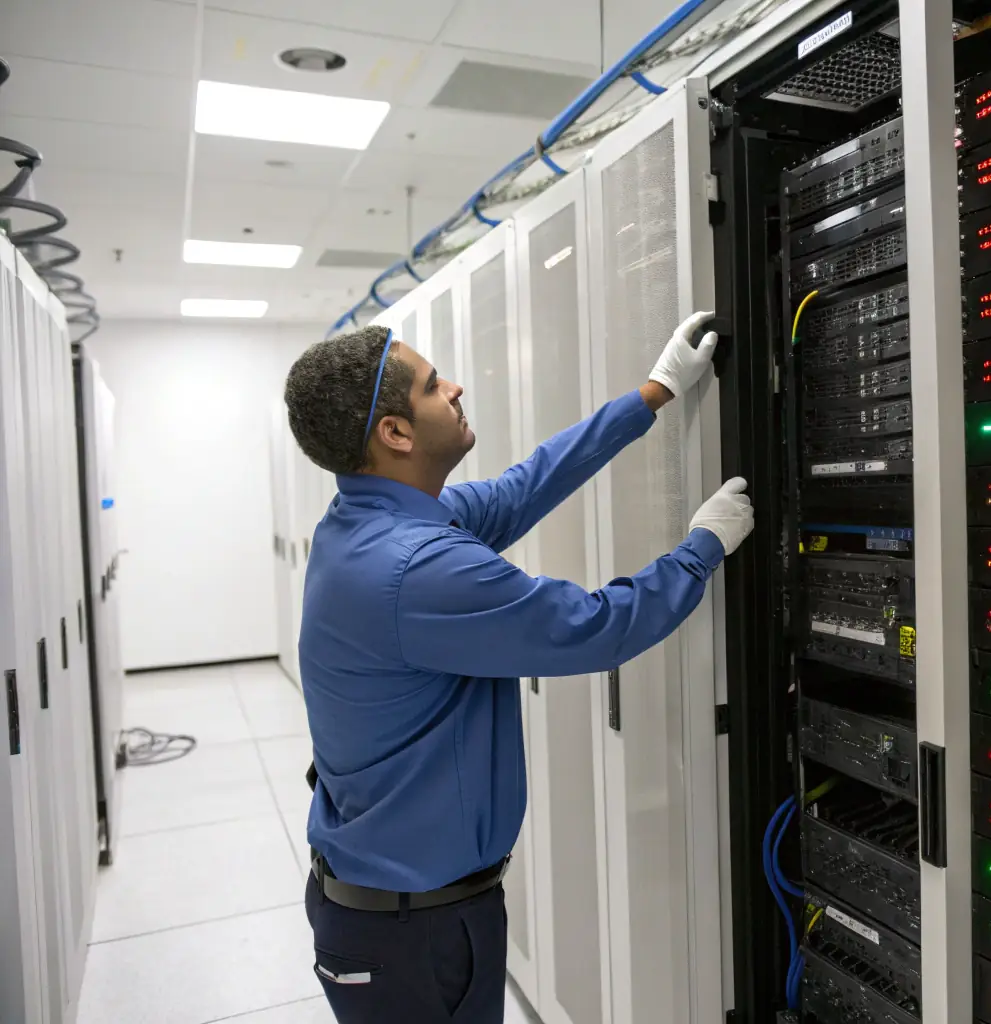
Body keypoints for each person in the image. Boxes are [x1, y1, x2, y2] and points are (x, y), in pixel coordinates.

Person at [281, 311, 753, 1024]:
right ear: (396, 434)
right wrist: (700, 548)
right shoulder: (414, 567)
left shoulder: (371, 522)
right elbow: (593, 627)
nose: (457, 387)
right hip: (409, 932)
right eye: (436, 385)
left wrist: (652, 394)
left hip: (397, 910)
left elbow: (522, 487)